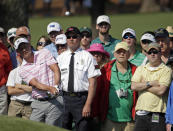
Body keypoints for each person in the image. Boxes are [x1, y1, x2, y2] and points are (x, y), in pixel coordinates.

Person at [57, 26, 101, 131]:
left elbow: (93, 83)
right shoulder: (60, 58)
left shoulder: (88, 57)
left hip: (81, 99)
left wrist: (88, 104)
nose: (71, 39)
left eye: (74, 36)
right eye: (68, 36)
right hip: (64, 99)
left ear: (80, 38)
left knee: (83, 128)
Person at [14, 37, 63, 127]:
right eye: (21, 49)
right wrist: (50, 88)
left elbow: (55, 69)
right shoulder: (22, 70)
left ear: (29, 45)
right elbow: (36, 84)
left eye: (25, 46)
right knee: (33, 128)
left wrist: (56, 85)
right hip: (38, 103)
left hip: (55, 101)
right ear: (18, 52)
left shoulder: (44, 53)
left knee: (51, 128)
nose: (24, 50)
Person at [93, 42, 137, 131]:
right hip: (110, 120)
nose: (121, 54)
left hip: (130, 120)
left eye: (124, 51)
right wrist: (96, 113)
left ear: (129, 54)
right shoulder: (105, 70)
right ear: (114, 54)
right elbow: (98, 93)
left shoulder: (136, 70)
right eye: (119, 52)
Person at [131, 42, 172, 131]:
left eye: (155, 51)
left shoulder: (167, 70)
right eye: (150, 52)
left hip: (157, 114)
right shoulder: (141, 69)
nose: (152, 54)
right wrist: (150, 83)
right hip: (141, 114)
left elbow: (161, 91)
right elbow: (133, 86)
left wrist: (143, 84)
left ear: (160, 53)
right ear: (146, 54)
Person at [0, 27, 13, 115]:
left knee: (2, 112)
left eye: (1, 35)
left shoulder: (4, 50)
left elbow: (9, 69)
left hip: (1, 86)